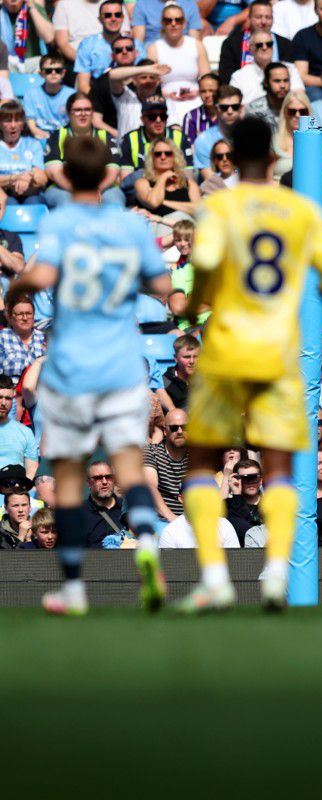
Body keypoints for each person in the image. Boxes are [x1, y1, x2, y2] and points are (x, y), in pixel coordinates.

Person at [176, 116, 322, 613]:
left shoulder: (220, 209)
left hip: (227, 352)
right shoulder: (297, 211)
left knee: (203, 466)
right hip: (277, 353)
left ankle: (214, 576)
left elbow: (204, 282)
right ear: (275, 158)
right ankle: (276, 570)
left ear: (230, 157)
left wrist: (188, 309)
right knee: (279, 468)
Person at [4, 135, 172, 616]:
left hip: (74, 366)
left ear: (65, 176)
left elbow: (37, 279)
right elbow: (163, 287)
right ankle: (144, 542)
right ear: (108, 177)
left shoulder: (59, 225)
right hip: (122, 365)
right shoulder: (129, 225)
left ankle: (74, 588)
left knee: (72, 476)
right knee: (129, 467)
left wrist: (18, 283)